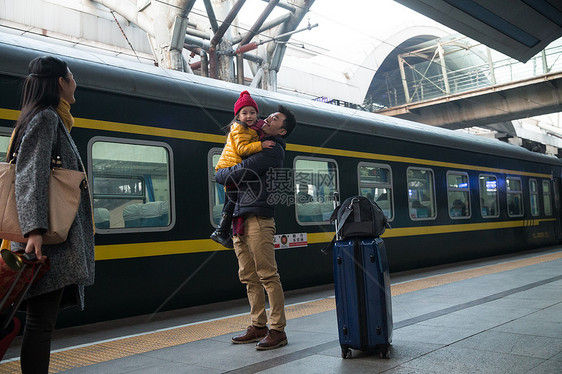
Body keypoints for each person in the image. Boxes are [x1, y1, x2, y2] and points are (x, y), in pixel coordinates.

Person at [6, 56, 95, 373]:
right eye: (72, 76)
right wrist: (34, 232)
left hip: (46, 239)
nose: (75, 83)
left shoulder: (43, 118)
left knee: (39, 323)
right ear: (61, 82)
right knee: (40, 325)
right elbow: (32, 175)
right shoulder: (46, 119)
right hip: (45, 242)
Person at [215, 105, 296, 350]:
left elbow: (229, 175)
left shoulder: (273, 150)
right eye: (271, 115)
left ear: (281, 132)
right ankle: (258, 324)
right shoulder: (254, 140)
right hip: (241, 217)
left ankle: (277, 329)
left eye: (276, 119)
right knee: (248, 277)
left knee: (268, 275)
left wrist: (220, 174)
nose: (269, 118)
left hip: (259, 218)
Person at [210, 91, 275, 248]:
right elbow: (241, 149)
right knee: (231, 201)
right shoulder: (239, 128)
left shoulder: (250, 129)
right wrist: (261, 145)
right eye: (244, 113)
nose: (249, 116)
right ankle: (220, 231)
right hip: (228, 167)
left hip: (232, 167)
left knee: (231, 200)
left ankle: (221, 231)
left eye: (252, 112)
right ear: (238, 116)